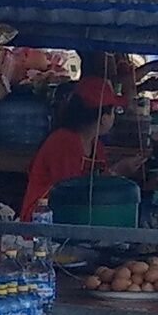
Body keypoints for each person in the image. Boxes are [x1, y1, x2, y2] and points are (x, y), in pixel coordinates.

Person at [20, 76, 140, 217]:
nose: (115, 117)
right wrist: (117, 171)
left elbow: (97, 185)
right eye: (114, 111)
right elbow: (72, 192)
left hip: (77, 218)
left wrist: (118, 173)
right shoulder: (64, 142)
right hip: (42, 221)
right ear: (104, 118)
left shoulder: (96, 146)